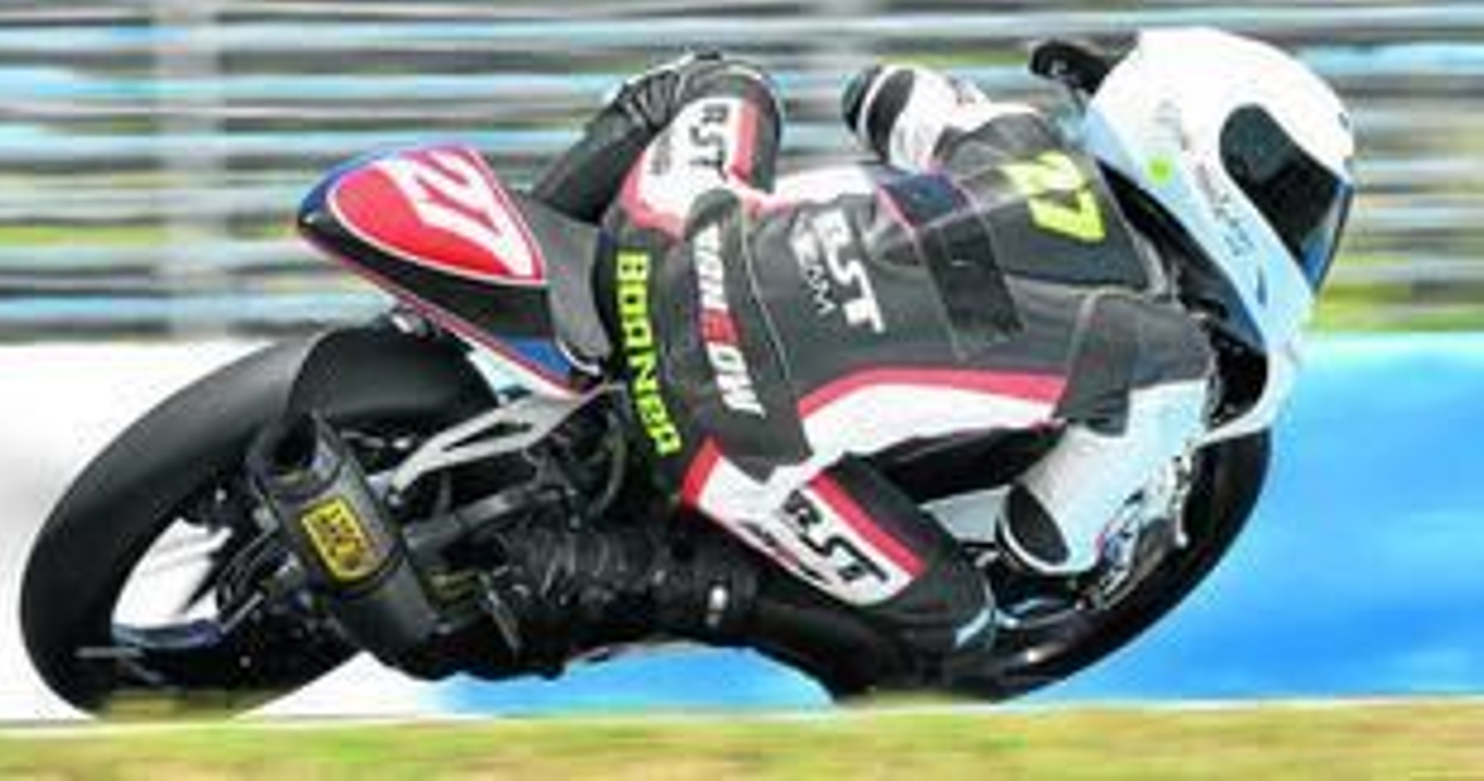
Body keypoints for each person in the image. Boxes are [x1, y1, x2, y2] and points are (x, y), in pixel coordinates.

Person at [491, 28, 1355, 684]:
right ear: (1223, 169)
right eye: (1298, 205)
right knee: (954, 626)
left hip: (665, 248)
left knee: (719, 81)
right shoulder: (1173, 363)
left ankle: (521, 245)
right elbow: (1043, 539)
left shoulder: (1016, 139)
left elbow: (881, 93)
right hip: (729, 426)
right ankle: (604, 571)